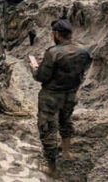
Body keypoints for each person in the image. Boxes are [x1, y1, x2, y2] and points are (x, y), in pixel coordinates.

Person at [30, 19, 91, 178]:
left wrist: (34, 68)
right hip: (70, 93)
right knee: (66, 120)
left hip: (51, 96)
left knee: (48, 128)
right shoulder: (84, 50)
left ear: (56, 34)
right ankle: (66, 152)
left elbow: (42, 77)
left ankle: (52, 168)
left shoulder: (53, 52)